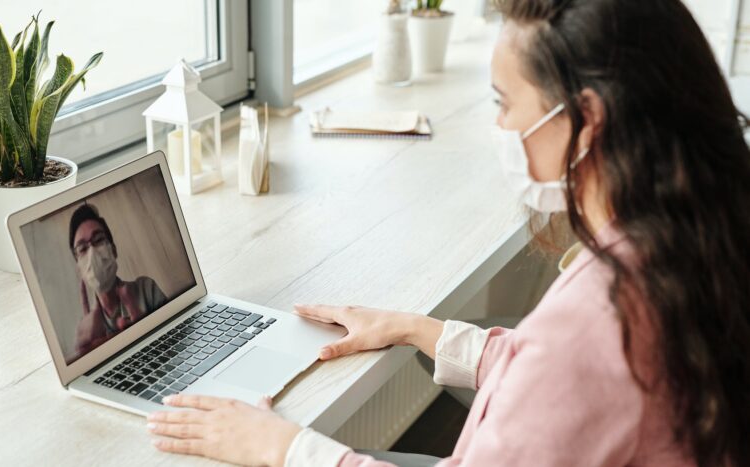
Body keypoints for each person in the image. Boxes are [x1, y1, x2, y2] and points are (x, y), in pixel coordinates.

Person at [144, 0, 750, 466]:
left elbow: (570, 364)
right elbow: (570, 385)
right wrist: (419, 330)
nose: (499, 125)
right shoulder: (694, 235)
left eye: (504, 102)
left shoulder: (600, 317)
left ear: (586, 121)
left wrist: (283, 447)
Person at [69, 204, 167, 359]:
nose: (92, 252)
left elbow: (177, 340)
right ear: (79, 269)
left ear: (113, 250)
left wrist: (146, 332)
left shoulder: (146, 289)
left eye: (99, 240)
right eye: (82, 249)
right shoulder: (87, 331)